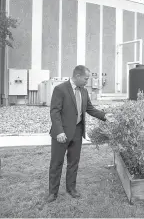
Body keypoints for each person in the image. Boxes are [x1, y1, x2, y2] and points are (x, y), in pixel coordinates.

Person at [46, 65, 114, 203]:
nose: (87, 81)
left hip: (77, 132)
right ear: (77, 76)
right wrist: (59, 131)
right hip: (62, 134)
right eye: (86, 78)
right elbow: (55, 112)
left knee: (74, 162)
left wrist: (105, 116)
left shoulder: (83, 91)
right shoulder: (60, 89)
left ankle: (71, 189)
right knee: (56, 163)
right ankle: (53, 192)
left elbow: (90, 109)